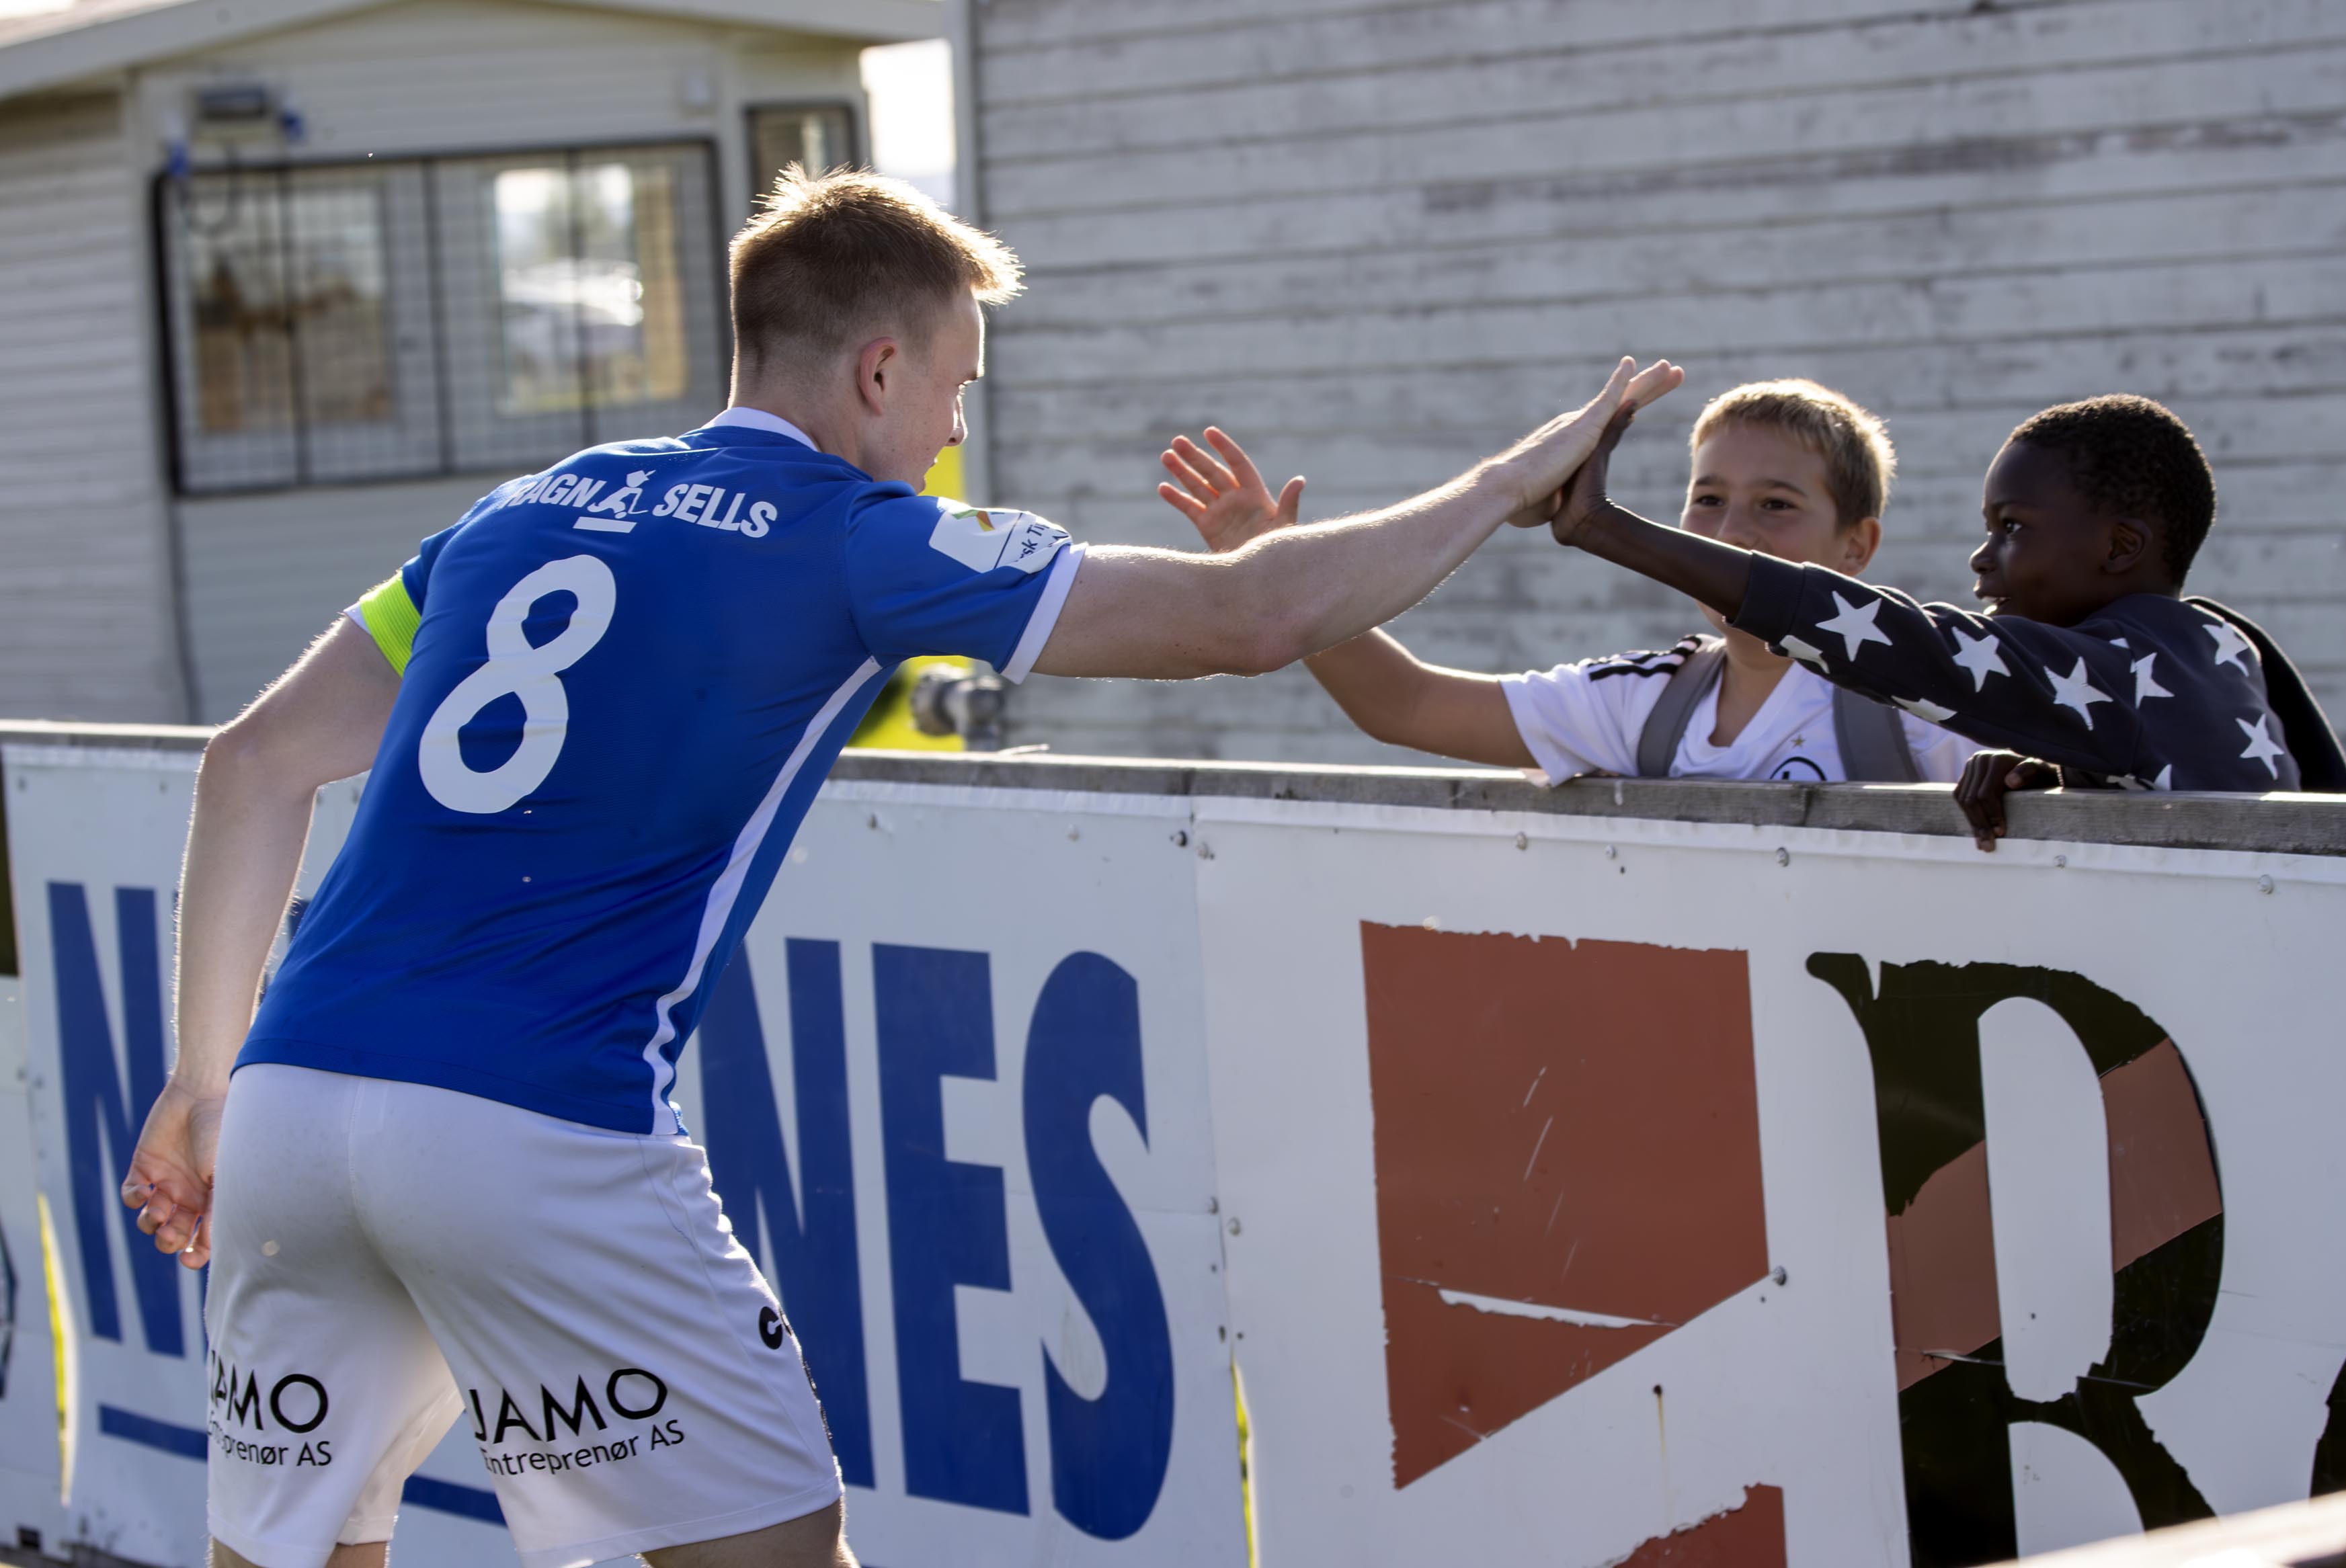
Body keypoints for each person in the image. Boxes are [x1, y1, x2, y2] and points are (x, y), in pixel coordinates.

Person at [120, 165, 1682, 1568]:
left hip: (294, 1108)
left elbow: (249, 764)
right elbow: (1251, 619)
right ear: (877, 369)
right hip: (536, 1127)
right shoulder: (852, 531)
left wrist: (203, 1083)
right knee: (782, 1551)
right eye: (955, 389)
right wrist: (1499, 483)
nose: (954, 434)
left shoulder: (516, 511)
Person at [1545, 390, 2346, 849]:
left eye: (2012, 528)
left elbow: (1912, 645)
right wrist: (2061, 778)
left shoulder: (2132, 673)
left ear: (2120, 546)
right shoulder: (2207, 644)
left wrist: (1606, 528)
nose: (1981, 557)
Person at [1157, 380, 1973, 784]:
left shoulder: (1930, 698)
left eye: (1777, 504)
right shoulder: (1649, 702)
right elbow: (1402, 705)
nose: (1730, 533)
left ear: (1855, 546)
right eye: (1708, 500)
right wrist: (1273, 573)